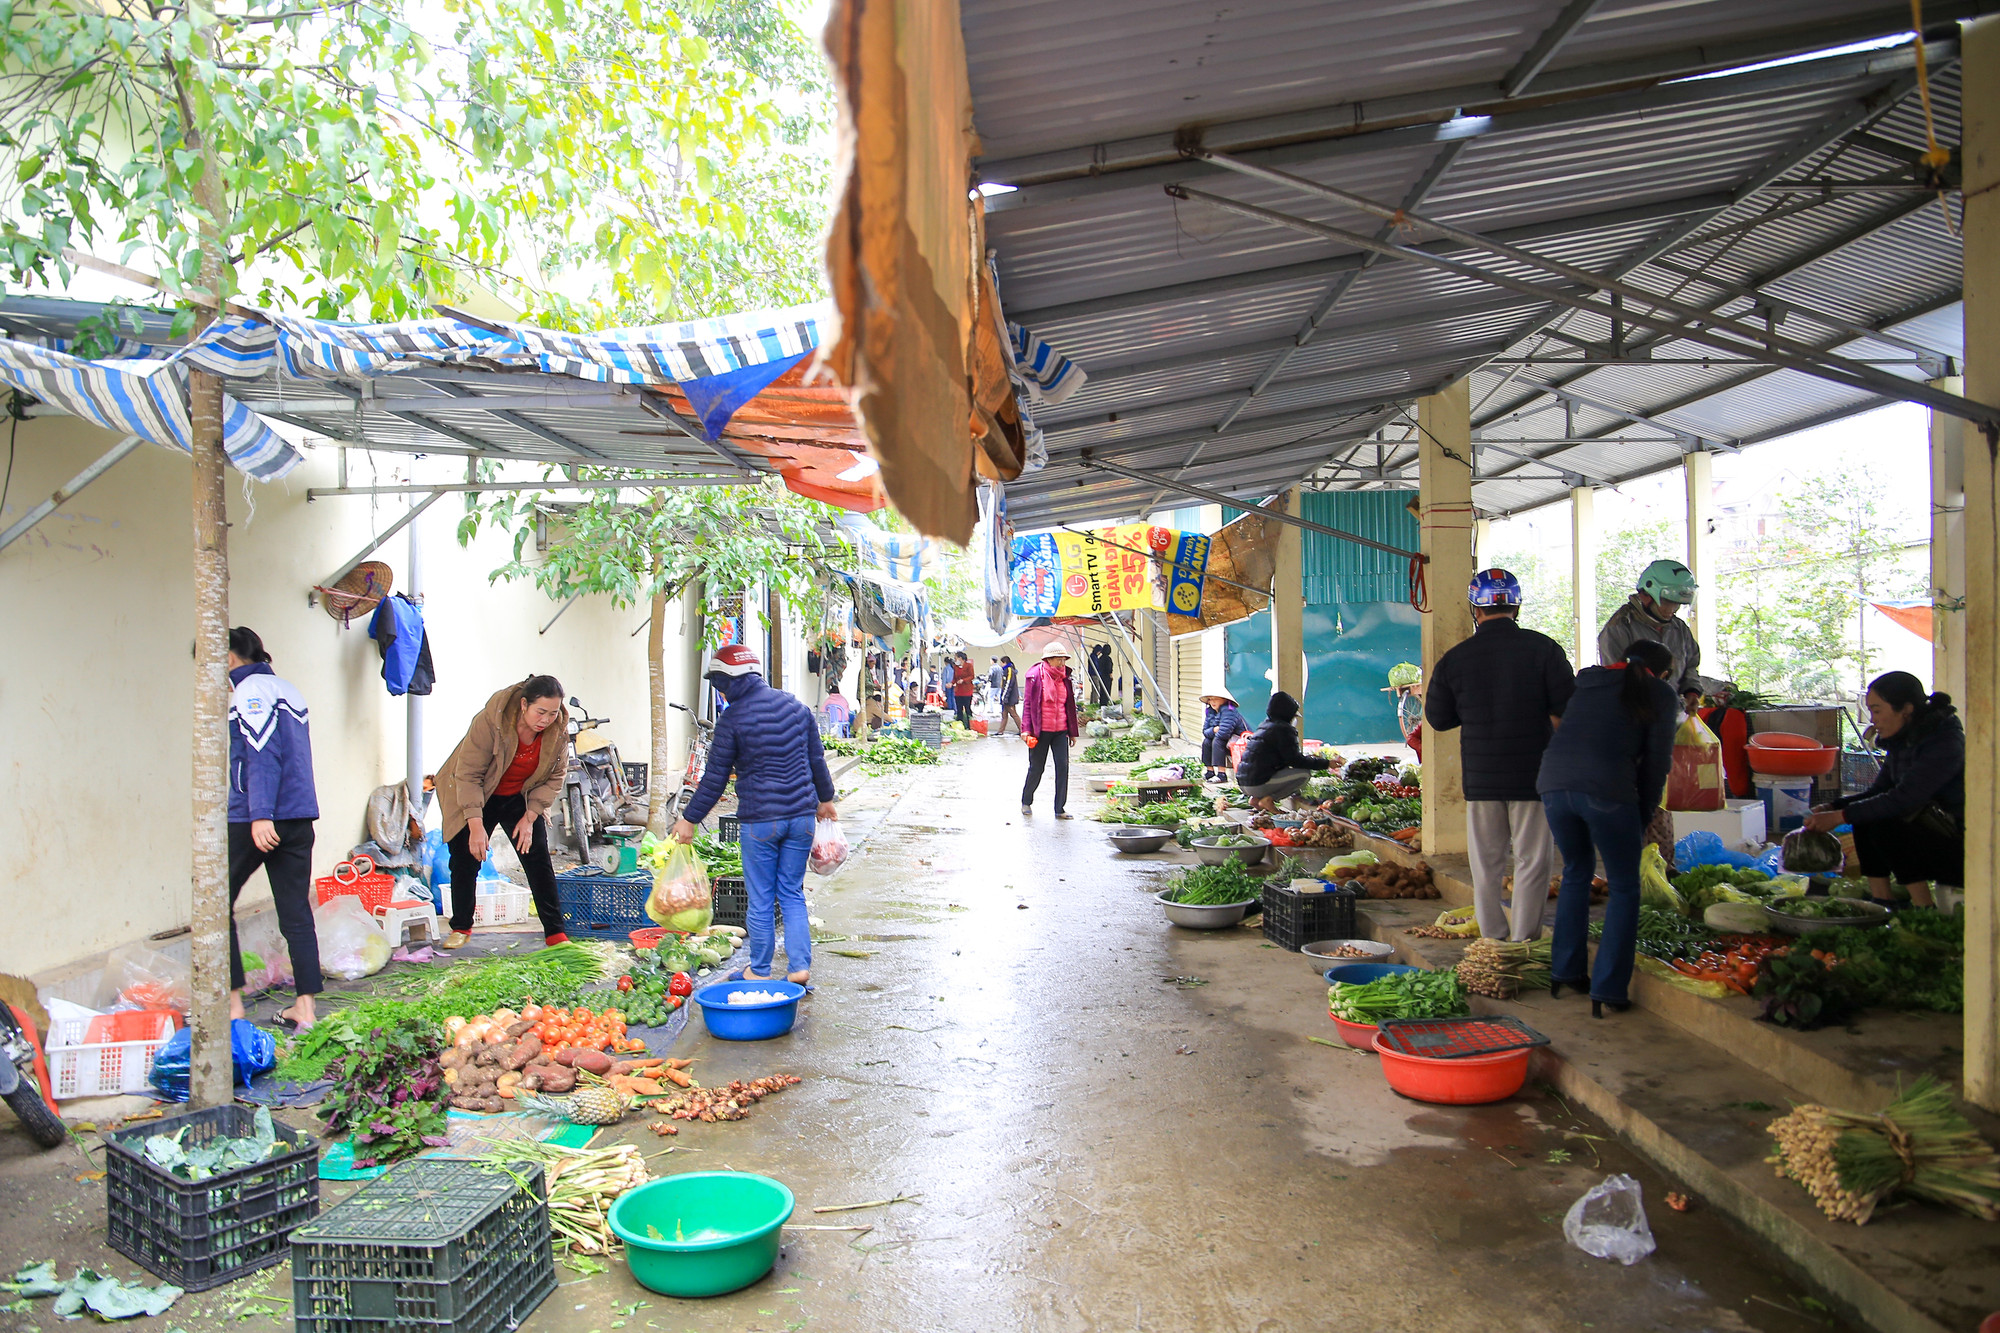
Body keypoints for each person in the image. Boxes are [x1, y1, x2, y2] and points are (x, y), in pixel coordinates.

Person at [1424, 570, 1577, 942]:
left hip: (1482, 777)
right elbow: (1566, 716)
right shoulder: (1545, 650)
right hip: (1534, 775)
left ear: (1475, 609)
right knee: (1532, 861)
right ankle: (1523, 940)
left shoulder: (1456, 659)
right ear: (1517, 605)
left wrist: (1475, 709)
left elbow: (1438, 719)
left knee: (1486, 865)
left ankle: (1492, 939)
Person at [673, 645, 837, 985]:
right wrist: (826, 799)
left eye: (720, 684)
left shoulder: (733, 719)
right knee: (791, 892)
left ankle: (759, 970)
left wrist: (689, 818)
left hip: (760, 820)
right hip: (801, 816)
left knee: (761, 898)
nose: (720, 691)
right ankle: (799, 969)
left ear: (731, 681)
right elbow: (816, 760)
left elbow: (715, 777)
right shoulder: (796, 707)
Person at [1539, 640, 1678, 1018]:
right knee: (1624, 888)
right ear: (1663, 672)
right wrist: (1645, 812)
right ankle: (1609, 990)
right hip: (1607, 791)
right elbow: (1656, 763)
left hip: (1553, 785)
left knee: (1576, 873)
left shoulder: (1589, 683)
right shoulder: (1660, 693)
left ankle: (1565, 972)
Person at [225, 627, 322, 1031]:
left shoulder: (249, 691)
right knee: (296, 911)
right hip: (298, 817)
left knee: (213, 903)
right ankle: (305, 1009)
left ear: (228, 657)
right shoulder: (288, 689)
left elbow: (263, 752)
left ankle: (231, 1006)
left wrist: (260, 813)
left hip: (258, 818)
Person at [1802, 672, 1963, 909]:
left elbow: (1904, 799)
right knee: (1866, 815)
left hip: (1959, 845)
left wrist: (1839, 817)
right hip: (1930, 835)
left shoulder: (1944, 743)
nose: (1872, 720)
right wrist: (1833, 807)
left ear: (1906, 709)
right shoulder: (1905, 739)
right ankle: (1882, 902)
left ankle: (1923, 908)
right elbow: (1879, 791)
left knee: (1884, 818)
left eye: (1877, 711)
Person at [440, 675, 572, 950]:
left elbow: (556, 776)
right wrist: (475, 825)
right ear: (524, 705)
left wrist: (531, 816)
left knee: (535, 854)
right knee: (465, 857)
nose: (546, 719)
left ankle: (555, 931)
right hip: (479, 793)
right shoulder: (491, 722)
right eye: (541, 712)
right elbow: (468, 774)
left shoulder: (557, 731)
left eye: (553, 712)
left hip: (520, 796)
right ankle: (461, 926)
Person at [1597, 558, 1727, 697]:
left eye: (1678, 604)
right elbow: (1616, 679)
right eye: (1667, 602)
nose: (1673, 609)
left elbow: (1690, 667)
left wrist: (1692, 692)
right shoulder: (1619, 628)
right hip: (1637, 713)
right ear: (1646, 596)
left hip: (1674, 711)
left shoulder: (1679, 628)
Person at [1235, 692, 1332, 811]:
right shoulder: (1284, 730)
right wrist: (1326, 763)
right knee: (1304, 774)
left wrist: (1310, 758)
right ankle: (1269, 800)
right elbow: (1295, 761)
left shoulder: (1265, 726)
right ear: (1288, 714)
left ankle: (1255, 800)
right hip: (1257, 784)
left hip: (1244, 783)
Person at [1021, 645, 1081, 818]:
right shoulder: (1034, 677)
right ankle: (1026, 801)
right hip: (1040, 731)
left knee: (1063, 767)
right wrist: (1026, 729)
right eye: (1058, 659)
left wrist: (1073, 732)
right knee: (1036, 769)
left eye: (1064, 659)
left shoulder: (1065, 678)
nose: (1062, 662)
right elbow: (1028, 705)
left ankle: (1059, 808)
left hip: (1060, 730)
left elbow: (1069, 706)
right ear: (1048, 659)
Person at [1199, 691, 1248, 783]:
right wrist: (1213, 730)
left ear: (1224, 700)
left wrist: (1214, 731)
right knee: (1207, 741)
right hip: (1226, 742)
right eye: (1210, 699)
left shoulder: (1229, 711)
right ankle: (1210, 771)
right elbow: (1205, 731)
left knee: (1218, 740)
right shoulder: (1210, 712)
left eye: (1216, 699)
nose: (1212, 702)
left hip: (1238, 743)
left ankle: (1222, 774)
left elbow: (1223, 733)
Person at [995, 655, 1022, 736]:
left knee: (1013, 714)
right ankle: (1000, 731)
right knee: (1004, 714)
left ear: (1004, 662)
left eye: (1001, 662)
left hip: (1009, 698)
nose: (1000, 664)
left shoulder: (1009, 670)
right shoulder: (1006, 670)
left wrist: (1004, 697)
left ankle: (1022, 730)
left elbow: (1008, 684)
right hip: (1006, 697)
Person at [950, 651, 976, 726]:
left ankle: (970, 724)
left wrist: (963, 680)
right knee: (959, 709)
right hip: (958, 691)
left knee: (967, 708)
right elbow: (954, 678)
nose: (955, 660)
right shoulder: (956, 667)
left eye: (956, 658)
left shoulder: (969, 666)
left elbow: (972, 676)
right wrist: (951, 683)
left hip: (967, 690)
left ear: (961, 658)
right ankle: (960, 724)